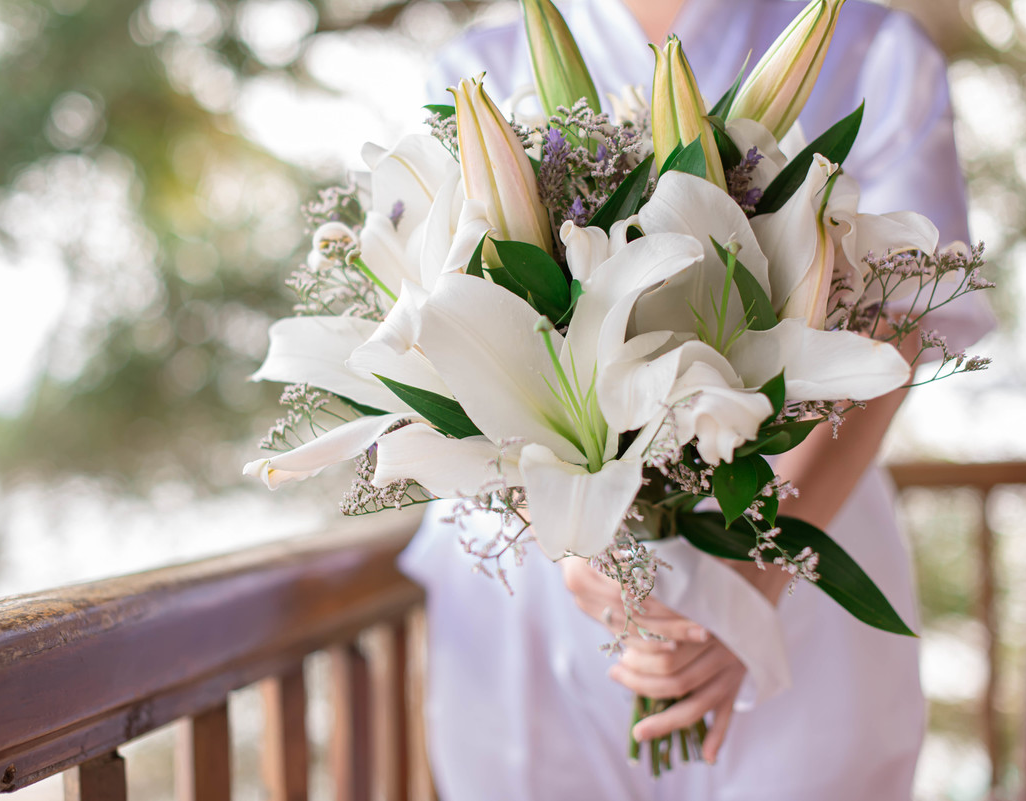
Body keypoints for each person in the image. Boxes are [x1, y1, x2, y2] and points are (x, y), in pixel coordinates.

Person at [398, 1, 995, 798]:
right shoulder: (480, 64)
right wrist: (584, 544)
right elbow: (444, 319)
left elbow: (901, 321)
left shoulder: (872, 48)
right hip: (535, 577)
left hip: (798, 524)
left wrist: (756, 573)